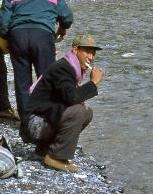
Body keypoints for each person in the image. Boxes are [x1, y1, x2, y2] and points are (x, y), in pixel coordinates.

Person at [0, 0, 73, 118]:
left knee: (22, 81)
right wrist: (62, 27)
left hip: (17, 37)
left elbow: (3, 24)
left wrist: (8, 37)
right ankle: (46, 118)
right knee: (45, 78)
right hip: (43, 37)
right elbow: (67, 16)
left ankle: (27, 122)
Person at [19, 34, 104, 172]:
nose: (91, 57)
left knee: (86, 111)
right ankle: (56, 157)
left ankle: (44, 150)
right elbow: (72, 98)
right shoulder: (63, 68)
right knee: (80, 111)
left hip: (42, 119)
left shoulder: (71, 68)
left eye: (93, 53)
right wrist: (93, 83)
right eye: (87, 52)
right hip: (34, 125)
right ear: (75, 50)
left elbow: (68, 98)